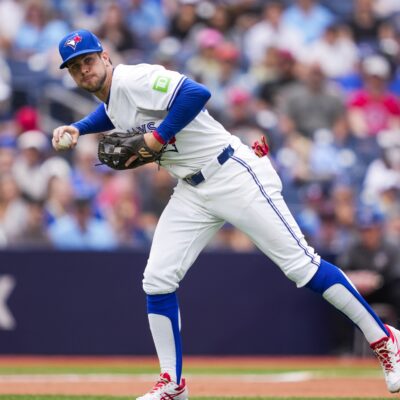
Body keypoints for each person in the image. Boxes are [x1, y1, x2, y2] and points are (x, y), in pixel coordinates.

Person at [52, 29, 400, 399]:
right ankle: (172, 385)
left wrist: (160, 136)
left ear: (105, 57)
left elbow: (196, 93)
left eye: (88, 60)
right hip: (192, 188)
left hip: (232, 173)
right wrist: (78, 127)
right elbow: (112, 113)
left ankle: (385, 338)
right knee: (157, 279)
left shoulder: (133, 77)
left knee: (302, 266)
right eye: (75, 67)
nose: (84, 70)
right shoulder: (115, 95)